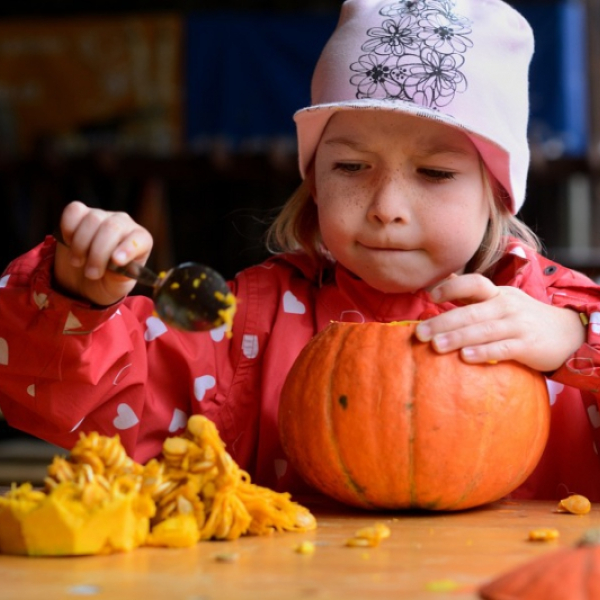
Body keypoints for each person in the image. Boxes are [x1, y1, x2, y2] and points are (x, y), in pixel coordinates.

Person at [1, 0, 599, 501]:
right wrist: (76, 298)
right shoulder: (239, 331)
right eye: (351, 165)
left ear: (496, 192)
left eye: (435, 173)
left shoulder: (558, 312)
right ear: (314, 182)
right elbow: (78, 405)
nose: (387, 204)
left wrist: (577, 342)